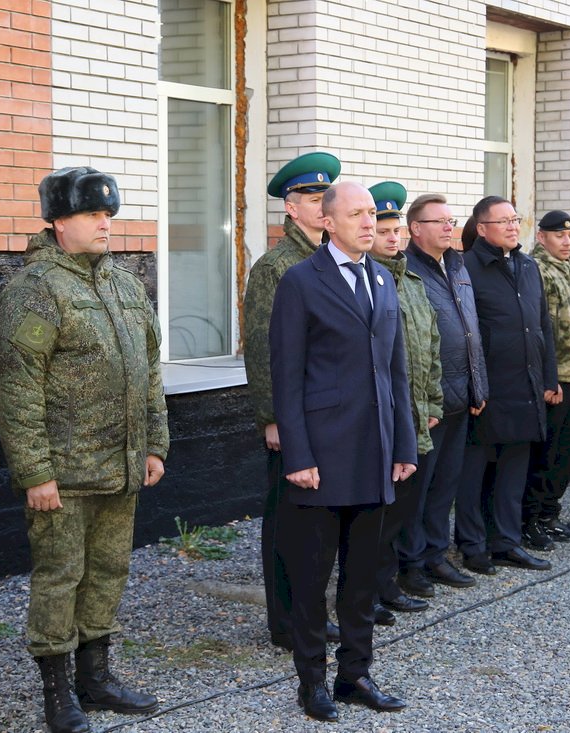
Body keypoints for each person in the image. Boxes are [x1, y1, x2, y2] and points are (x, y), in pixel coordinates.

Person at [0, 167, 169, 733]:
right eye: (93, 215)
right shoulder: (38, 290)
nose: (105, 225)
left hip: (120, 465)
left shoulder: (123, 285)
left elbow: (150, 373)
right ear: (58, 222)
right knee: (59, 577)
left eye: (108, 215)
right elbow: (17, 384)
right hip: (64, 474)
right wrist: (35, 471)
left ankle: (96, 678)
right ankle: (57, 690)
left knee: (109, 571)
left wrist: (154, 442)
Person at [270, 181, 417, 722]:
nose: (368, 222)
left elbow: (395, 371)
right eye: (355, 214)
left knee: (362, 576)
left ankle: (355, 673)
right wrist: (298, 456)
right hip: (323, 456)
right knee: (313, 577)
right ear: (327, 222)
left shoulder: (382, 277)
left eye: (371, 214)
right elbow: (287, 378)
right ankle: (312, 682)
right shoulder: (300, 282)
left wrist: (403, 444)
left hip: (375, 451)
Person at [243, 152, 342, 650]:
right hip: (293, 416)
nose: (324, 206)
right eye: (313, 198)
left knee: (319, 522)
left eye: (328, 197)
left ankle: (310, 610)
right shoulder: (275, 268)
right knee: (288, 520)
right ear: (291, 207)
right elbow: (263, 349)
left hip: (328, 413)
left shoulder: (328, 259)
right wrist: (272, 418)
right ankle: (286, 621)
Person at [457, 195, 557, 574]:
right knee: (475, 471)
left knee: (514, 469)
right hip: (486, 388)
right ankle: (472, 545)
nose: (514, 227)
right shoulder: (466, 268)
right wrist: (473, 387)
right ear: (482, 229)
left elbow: (541, 324)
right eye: (504, 221)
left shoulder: (528, 265)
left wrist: (548, 377)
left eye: (516, 219)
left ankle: (507, 542)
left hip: (525, 384)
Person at [400, 194, 489, 595]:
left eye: (451, 220)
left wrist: (478, 385)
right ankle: (411, 562)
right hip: (430, 401)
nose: (448, 228)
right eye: (439, 221)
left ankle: (436, 556)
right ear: (416, 229)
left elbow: (470, 330)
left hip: (461, 397)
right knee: (419, 489)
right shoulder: (406, 271)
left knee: (445, 486)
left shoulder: (457, 265)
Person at [366, 182, 443, 623]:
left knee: (401, 507)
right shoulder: (366, 279)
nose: (393, 238)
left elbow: (430, 344)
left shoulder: (409, 279)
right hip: (383, 417)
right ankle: (369, 590)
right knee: (378, 511)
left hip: (415, 413)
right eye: (383, 230)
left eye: (396, 230)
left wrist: (432, 400)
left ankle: (388, 583)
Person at [521, 210, 570, 551]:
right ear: (542, 237)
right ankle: (529, 521)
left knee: (569, 452)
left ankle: (549, 515)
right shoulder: (534, 270)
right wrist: (545, 381)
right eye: (559, 235)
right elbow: (536, 332)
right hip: (554, 381)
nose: (567, 241)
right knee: (545, 453)